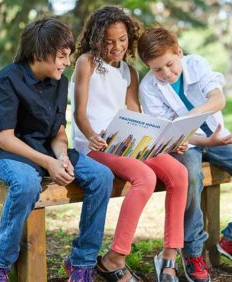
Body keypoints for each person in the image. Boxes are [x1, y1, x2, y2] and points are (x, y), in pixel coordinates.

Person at [0, 18, 114, 282]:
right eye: (61, 56)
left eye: (68, 56)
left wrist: (62, 156)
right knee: (27, 183)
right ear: (40, 53)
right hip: (8, 153)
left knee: (102, 176)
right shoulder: (5, 81)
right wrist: (48, 162)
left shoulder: (59, 81)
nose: (66, 63)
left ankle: (81, 264)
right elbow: (5, 139)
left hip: (45, 149)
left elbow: (58, 132)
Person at [137, 27, 232, 282]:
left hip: (219, 137)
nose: (165, 73)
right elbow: (169, 132)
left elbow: (217, 100)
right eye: (157, 69)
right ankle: (193, 250)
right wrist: (199, 138)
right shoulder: (149, 87)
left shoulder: (196, 64)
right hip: (187, 143)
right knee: (192, 179)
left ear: (179, 52)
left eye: (170, 65)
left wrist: (188, 121)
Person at [71, 6, 189, 282]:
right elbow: (79, 111)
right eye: (109, 41)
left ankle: (169, 257)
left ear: (129, 38)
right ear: (96, 38)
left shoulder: (130, 72)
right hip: (93, 144)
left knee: (179, 174)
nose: (116, 47)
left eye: (122, 40)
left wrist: (168, 143)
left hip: (123, 141)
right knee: (145, 176)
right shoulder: (86, 63)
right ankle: (115, 258)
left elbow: (136, 116)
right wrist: (90, 135)